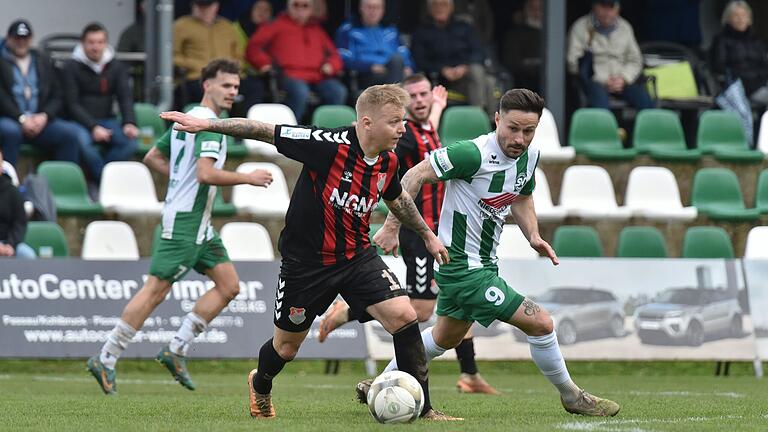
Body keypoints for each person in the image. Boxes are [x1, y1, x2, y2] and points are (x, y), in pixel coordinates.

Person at [161, 84, 460, 421]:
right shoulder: (326, 145)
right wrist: (207, 124)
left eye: (402, 121)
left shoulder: (388, 161)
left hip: (356, 257)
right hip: (306, 265)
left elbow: (398, 199)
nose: (402, 129)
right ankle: (260, 383)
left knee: (405, 316)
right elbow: (263, 130)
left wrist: (427, 236)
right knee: (286, 348)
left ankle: (424, 410)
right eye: (394, 122)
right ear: (366, 123)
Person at [359, 88, 621, 417]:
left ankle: (381, 382)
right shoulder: (472, 154)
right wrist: (392, 226)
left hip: (483, 266)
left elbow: (522, 196)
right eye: (513, 128)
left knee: (443, 338)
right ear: (497, 119)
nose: (520, 138)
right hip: (463, 271)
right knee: (541, 322)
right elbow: (413, 175)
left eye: (529, 131)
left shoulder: (529, 157)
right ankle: (572, 396)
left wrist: (534, 235)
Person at [86, 59, 274, 395]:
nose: (234, 91)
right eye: (226, 85)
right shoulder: (211, 125)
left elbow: (153, 158)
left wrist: (179, 179)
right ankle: (106, 356)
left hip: (199, 223)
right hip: (186, 221)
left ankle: (175, 349)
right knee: (156, 290)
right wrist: (247, 177)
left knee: (229, 285)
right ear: (207, 85)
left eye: (235, 86)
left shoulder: (188, 114)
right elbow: (205, 173)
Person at [318, 73, 499, 395]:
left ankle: (470, 375)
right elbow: (400, 184)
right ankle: (348, 311)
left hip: (441, 233)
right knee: (423, 310)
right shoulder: (406, 137)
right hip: (420, 233)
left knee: (457, 302)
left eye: (424, 94)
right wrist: (394, 226)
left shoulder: (427, 128)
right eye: (412, 95)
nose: (419, 100)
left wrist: (438, 109)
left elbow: (428, 128)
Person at [246, 0, 347, 122]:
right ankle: (292, 134)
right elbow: (253, 47)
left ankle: (328, 133)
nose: (300, 9)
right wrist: (264, 63)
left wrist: (331, 65)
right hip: (288, 75)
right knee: (300, 91)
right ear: (288, 6)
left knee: (337, 91)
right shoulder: (275, 24)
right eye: (296, 5)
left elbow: (334, 55)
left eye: (305, 6)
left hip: (318, 76)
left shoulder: (317, 30)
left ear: (311, 9)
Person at [63, 23, 138, 185]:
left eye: (100, 42)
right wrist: (93, 127)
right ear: (83, 43)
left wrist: (129, 122)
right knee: (81, 142)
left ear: (106, 43)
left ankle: (102, 180)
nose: (95, 47)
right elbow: (71, 104)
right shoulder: (71, 66)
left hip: (107, 120)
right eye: (91, 42)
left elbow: (125, 97)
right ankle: (104, 182)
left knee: (130, 143)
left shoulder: (115, 66)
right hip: (79, 123)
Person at [0, 19, 82, 167]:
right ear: (8, 38)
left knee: (69, 134)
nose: (21, 42)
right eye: (17, 38)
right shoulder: (1, 61)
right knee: (9, 131)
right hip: (11, 119)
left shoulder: (42, 60)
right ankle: (7, 184)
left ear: (31, 39)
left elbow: (57, 94)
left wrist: (45, 116)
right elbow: (2, 97)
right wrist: (21, 118)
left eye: (25, 38)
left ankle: (62, 184)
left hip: (40, 120)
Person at [566, 0, 654, 110]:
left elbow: (635, 60)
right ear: (594, 6)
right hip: (595, 81)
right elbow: (572, 62)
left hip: (622, 80)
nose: (607, 11)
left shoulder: (625, 27)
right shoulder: (580, 27)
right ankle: (606, 127)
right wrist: (602, 79)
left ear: (617, 9)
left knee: (644, 99)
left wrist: (624, 78)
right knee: (599, 102)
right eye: (603, 6)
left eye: (611, 6)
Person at [411, 0, 491, 113]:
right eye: (435, 4)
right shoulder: (421, 32)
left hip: (467, 76)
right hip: (441, 80)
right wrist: (442, 69)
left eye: (444, 4)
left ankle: (486, 119)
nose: (440, 8)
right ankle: (483, 120)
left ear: (451, 7)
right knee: (488, 83)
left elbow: (479, 52)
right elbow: (419, 60)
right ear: (429, 9)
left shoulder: (465, 27)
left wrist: (465, 67)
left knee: (482, 75)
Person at [174, 0, 242, 106]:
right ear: (193, 6)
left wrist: (233, 70)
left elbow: (239, 55)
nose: (202, 10)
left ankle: (247, 121)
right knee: (204, 88)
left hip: (227, 75)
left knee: (253, 87)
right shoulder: (181, 26)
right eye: (199, 5)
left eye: (207, 6)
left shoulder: (227, 27)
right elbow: (172, 55)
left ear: (216, 6)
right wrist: (196, 66)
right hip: (197, 77)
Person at [335, 0, 415, 88]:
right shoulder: (348, 30)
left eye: (377, 8)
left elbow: (403, 52)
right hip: (367, 74)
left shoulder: (391, 30)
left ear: (383, 10)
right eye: (369, 7)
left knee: (400, 64)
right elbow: (343, 59)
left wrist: (408, 66)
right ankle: (393, 98)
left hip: (393, 69)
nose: (373, 11)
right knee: (397, 66)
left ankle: (393, 97)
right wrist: (370, 67)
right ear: (361, 8)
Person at [710, 0, 768, 105]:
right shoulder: (721, 40)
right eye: (736, 15)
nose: (740, 19)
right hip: (737, 87)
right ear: (728, 18)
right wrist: (744, 76)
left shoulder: (756, 40)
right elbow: (719, 66)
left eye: (744, 15)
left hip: (760, 84)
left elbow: (764, 64)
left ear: (749, 18)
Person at [0, 148, 35, 259]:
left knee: (28, 255)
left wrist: (11, 245)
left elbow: (20, 223)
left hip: (8, 243)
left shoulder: (12, 191)